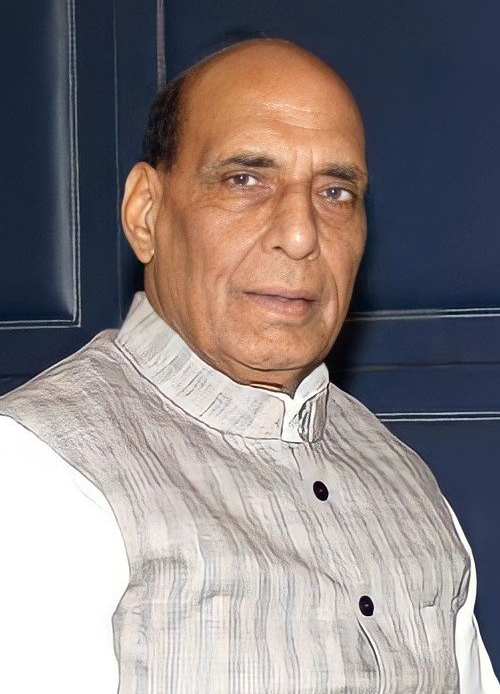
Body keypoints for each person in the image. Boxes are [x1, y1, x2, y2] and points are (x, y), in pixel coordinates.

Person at [0, 38, 498, 693]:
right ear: (145, 214)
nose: (300, 233)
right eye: (245, 179)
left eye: (336, 192)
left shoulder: (406, 481)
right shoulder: (38, 470)